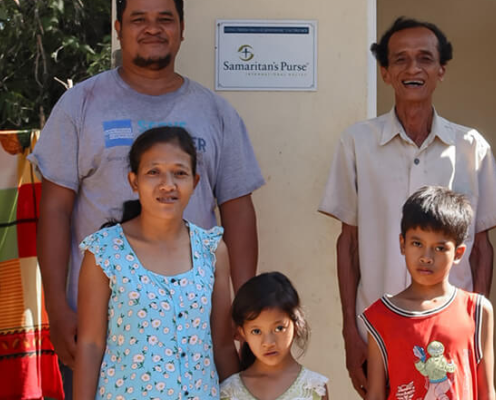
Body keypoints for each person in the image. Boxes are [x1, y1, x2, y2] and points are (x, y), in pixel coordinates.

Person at [28, 0, 263, 394]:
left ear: (183, 28)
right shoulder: (80, 105)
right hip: (96, 325)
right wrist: (56, 305)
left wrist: (247, 311)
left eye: (164, 19)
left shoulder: (216, 113)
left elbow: (238, 212)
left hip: (196, 331)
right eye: (139, 19)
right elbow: (54, 210)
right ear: (118, 28)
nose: (152, 28)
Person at [318, 17, 496, 396]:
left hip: (451, 330)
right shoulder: (357, 143)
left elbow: (482, 248)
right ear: (385, 72)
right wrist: (349, 330)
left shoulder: (471, 147)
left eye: (425, 58)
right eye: (401, 59)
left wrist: (475, 328)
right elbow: (348, 243)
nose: (413, 68)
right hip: (376, 328)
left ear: (441, 70)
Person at [73, 126, 238, 400]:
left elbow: (222, 345)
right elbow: (90, 345)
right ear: (134, 181)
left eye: (180, 173)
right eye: (153, 172)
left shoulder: (211, 251)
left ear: (195, 182)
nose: (167, 184)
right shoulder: (105, 253)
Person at [360, 186, 495, 400]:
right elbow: (375, 393)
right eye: (417, 243)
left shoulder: (477, 310)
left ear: (458, 253)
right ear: (402, 244)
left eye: (440, 248)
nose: (426, 257)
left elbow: (487, 392)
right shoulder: (380, 316)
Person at [219, 272, 329, 400]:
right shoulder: (228, 391)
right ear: (243, 333)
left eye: (279, 328)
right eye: (256, 331)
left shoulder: (313, 387)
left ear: (296, 324)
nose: (268, 342)